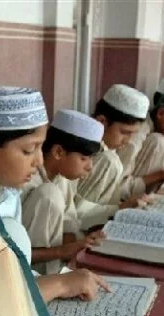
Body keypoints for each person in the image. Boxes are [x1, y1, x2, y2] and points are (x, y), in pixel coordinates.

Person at [0, 86, 110, 302]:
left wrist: (65, 281)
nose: (40, 161)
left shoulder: (8, 192)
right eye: (29, 150)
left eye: (41, 149)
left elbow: (16, 270)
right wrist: (58, 284)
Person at [21, 109, 105, 275]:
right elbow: (17, 255)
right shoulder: (26, 181)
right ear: (58, 152)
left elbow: (69, 224)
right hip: (28, 274)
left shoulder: (62, 178)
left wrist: (76, 250)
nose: (90, 166)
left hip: (57, 266)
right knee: (50, 194)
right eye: (84, 158)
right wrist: (62, 252)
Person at [74, 84, 151, 230]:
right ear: (102, 122)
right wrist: (120, 208)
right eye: (124, 132)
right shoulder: (104, 158)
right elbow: (77, 212)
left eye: (132, 134)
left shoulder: (108, 147)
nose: (127, 140)